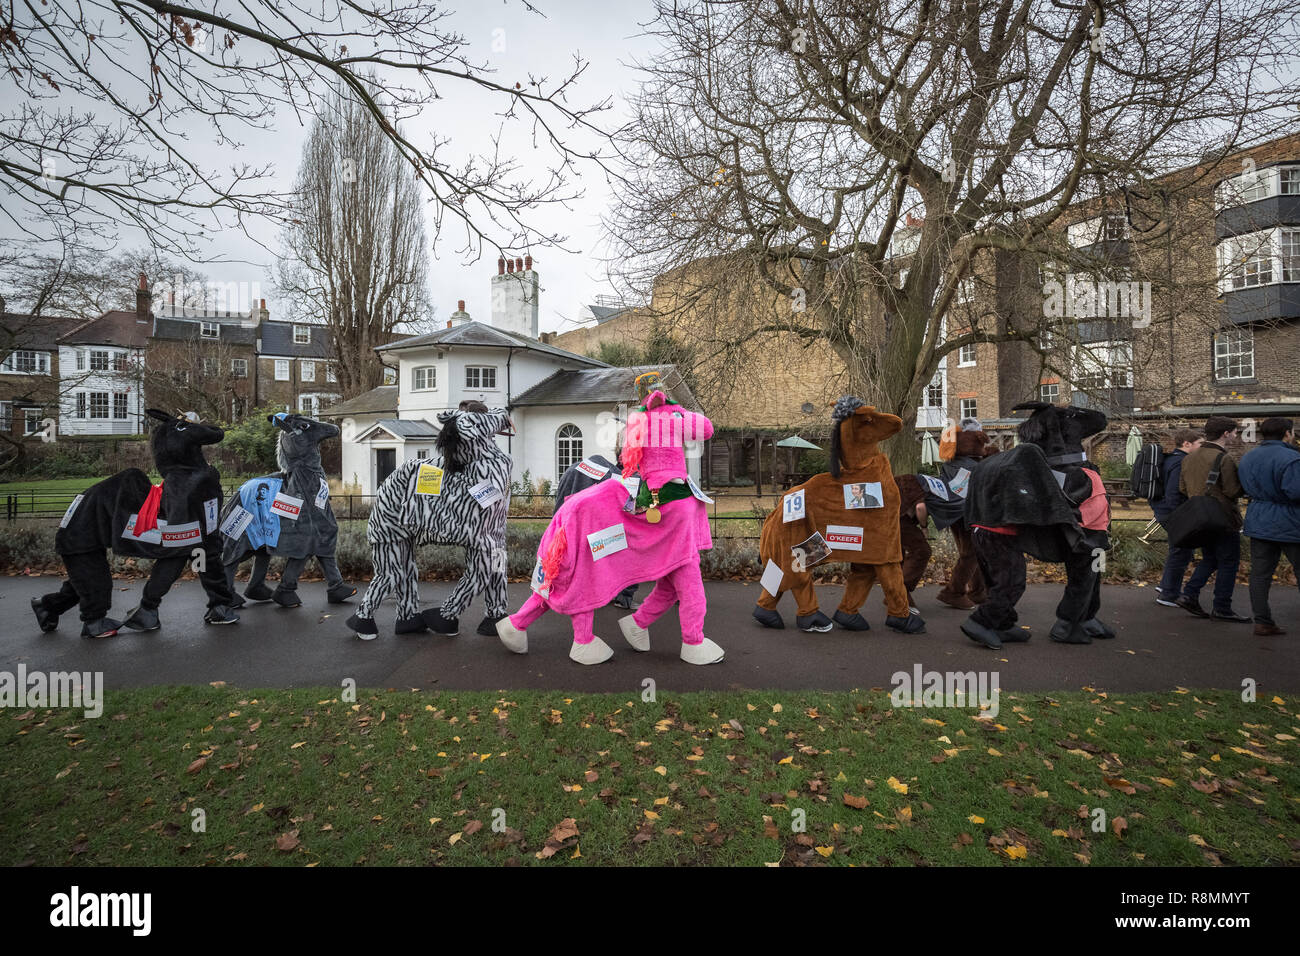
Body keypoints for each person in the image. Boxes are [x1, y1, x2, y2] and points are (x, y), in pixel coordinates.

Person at [1176, 415, 1250, 622]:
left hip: (1199, 517)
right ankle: (1222, 607)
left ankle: (1189, 594)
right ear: (1226, 433)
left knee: (1210, 558)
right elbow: (1232, 490)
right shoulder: (1223, 458)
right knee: (1228, 561)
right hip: (1222, 517)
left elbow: (1182, 488)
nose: (1236, 435)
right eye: (1235, 431)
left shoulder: (1188, 457)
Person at [1238, 417, 1300, 636]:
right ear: (1287, 433)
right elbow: (1296, 492)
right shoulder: (1292, 458)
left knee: (1260, 574)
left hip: (1259, 518)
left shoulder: (1248, 457)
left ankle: (1262, 621)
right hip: (1290, 521)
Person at [934, 423, 991, 609]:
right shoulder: (976, 466)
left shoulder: (949, 464)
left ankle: (978, 591)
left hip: (952, 515)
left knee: (970, 553)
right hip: (970, 515)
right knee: (972, 553)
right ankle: (954, 591)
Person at [1152, 429, 1203, 607]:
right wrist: (1183, 517)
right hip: (1173, 513)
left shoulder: (1170, 459)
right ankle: (1169, 594)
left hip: (1163, 510)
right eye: (1199, 444)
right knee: (1182, 551)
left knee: (1178, 549)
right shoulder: (1181, 462)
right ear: (1187, 444)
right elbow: (1173, 493)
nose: (1201, 448)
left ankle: (1166, 586)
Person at [895, 474, 930, 613]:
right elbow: (920, 507)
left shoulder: (904, 479)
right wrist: (924, 527)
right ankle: (900, 593)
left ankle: (896, 595)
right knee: (922, 551)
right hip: (902, 519)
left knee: (898, 557)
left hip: (888, 518)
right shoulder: (920, 485)